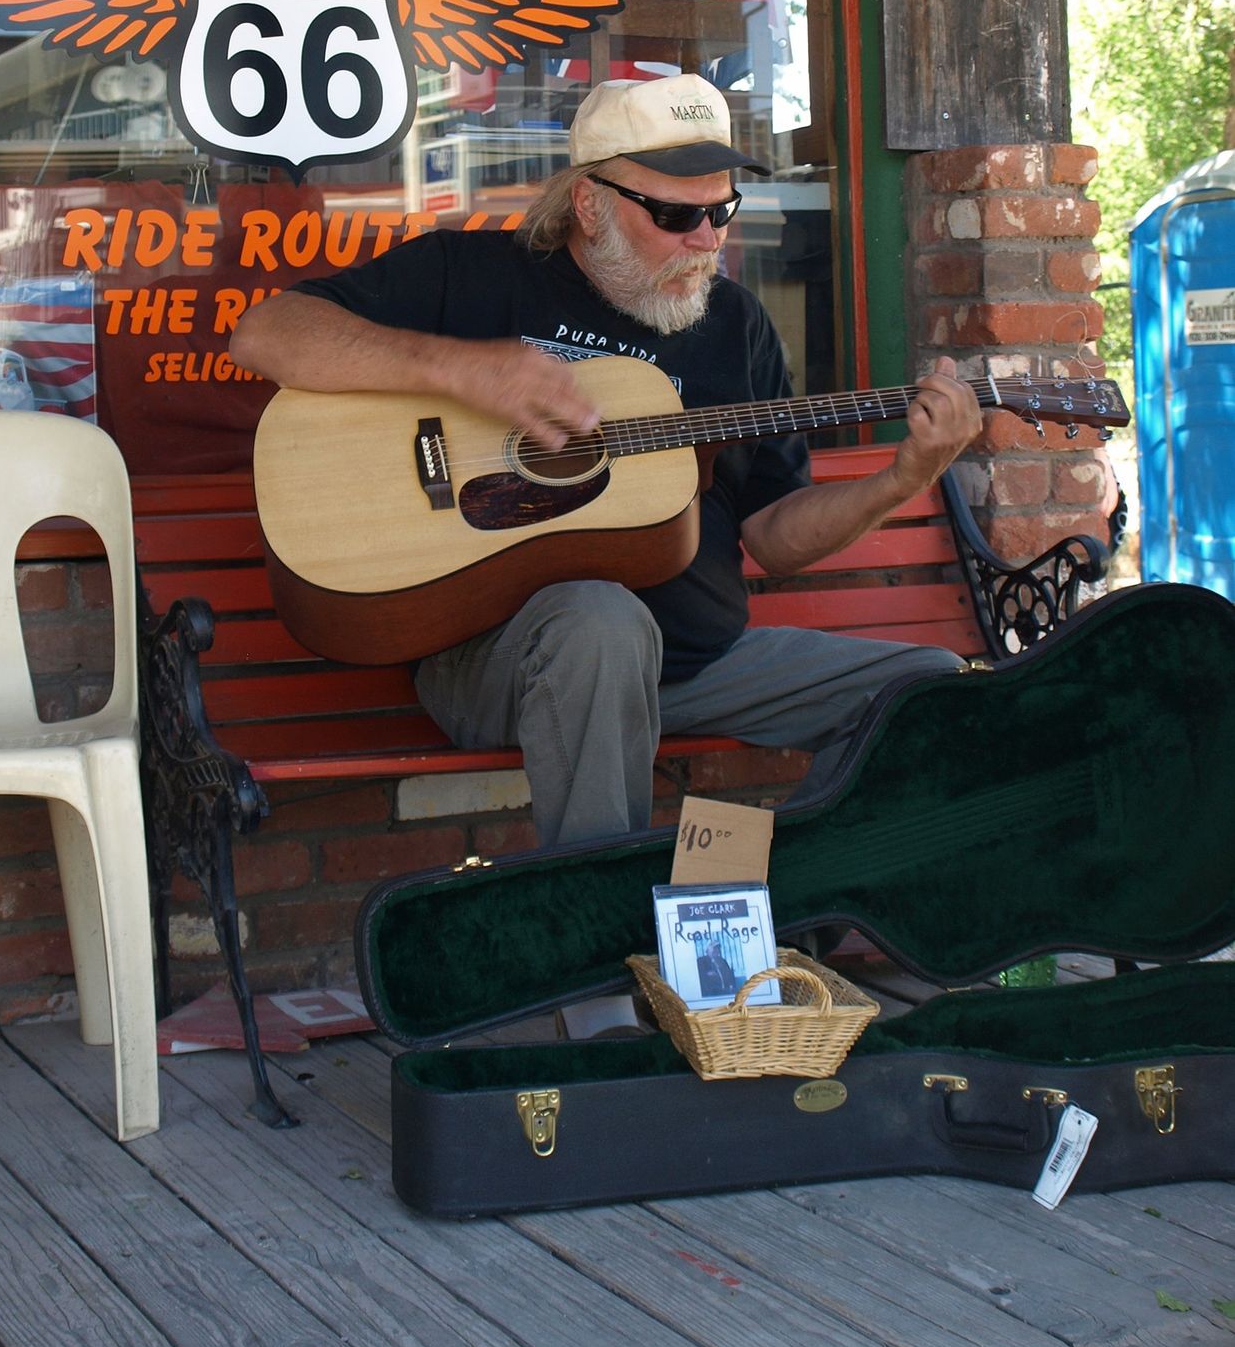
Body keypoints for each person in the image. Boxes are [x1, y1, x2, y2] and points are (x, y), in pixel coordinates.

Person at [230, 73, 981, 1029]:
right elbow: (265, 334)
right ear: (590, 202)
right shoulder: (473, 279)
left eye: (722, 213)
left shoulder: (736, 329)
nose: (708, 241)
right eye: (676, 215)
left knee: (930, 691)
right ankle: (597, 1003)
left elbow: (775, 539)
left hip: (698, 660)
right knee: (601, 622)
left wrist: (901, 479)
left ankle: (793, 923)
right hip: (502, 661)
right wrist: (461, 366)